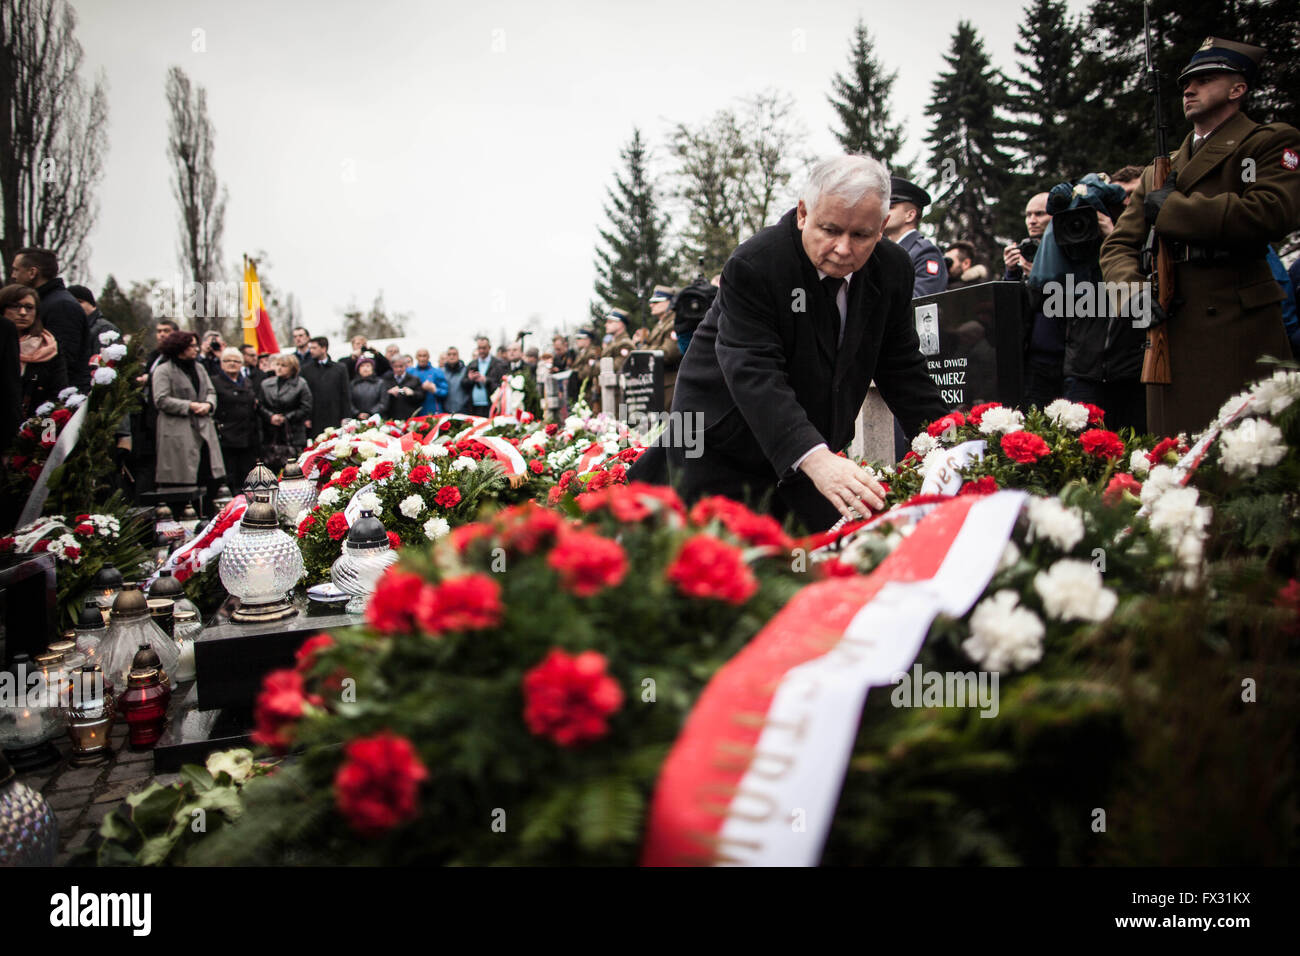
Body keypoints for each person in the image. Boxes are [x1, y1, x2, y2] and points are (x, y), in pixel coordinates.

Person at [667, 155, 949, 531]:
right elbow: (754, 370)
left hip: (810, 445)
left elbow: (902, 367)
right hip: (723, 444)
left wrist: (949, 444)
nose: (844, 249)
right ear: (803, 213)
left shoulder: (893, 269)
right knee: (728, 572)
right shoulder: (757, 264)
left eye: (861, 235)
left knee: (818, 562)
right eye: (830, 230)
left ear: (882, 226)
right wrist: (814, 458)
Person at [1100, 37, 1300, 436]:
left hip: (1238, 325)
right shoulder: (1162, 168)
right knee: (1176, 456)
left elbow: (1269, 212)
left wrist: (1172, 209)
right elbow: (1118, 245)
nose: (1189, 90)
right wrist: (1133, 293)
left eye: (1205, 80)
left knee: (1244, 457)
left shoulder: (1266, 142)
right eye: (1186, 83)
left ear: (1237, 88)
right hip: (1171, 327)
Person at [151, 330, 226, 495]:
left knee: (208, 478)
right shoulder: (163, 370)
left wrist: (208, 404)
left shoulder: (199, 368)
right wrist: (190, 405)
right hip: (178, 431)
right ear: (179, 348)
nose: (197, 349)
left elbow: (211, 391)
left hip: (204, 427)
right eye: (192, 346)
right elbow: (161, 399)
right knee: (183, 479)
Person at [9, 248, 91, 390]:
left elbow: (64, 359)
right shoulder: (45, 302)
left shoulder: (61, 306)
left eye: (16, 270)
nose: (13, 275)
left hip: (56, 398)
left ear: (32, 273)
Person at [2, 283, 67, 418]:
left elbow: (58, 396)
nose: (23, 313)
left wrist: (45, 436)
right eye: (15, 306)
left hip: (36, 428)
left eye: (29, 308)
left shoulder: (48, 347)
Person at [883, 178, 948, 297]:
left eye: (890, 207)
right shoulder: (882, 251)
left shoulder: (924, 252)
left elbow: (921, 302)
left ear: (910, 215)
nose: (883, 212)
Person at [211, 347, 261, 484]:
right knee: (230, 476)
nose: (232, 363)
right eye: (227, 360)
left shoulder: (247, 382)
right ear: (221, 363)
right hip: (227, 436)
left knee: (247, 477)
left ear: (241, 364)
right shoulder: (214, 382)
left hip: (247, 436)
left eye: (236, 361)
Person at [259, 354, 313, 457]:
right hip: (271, 433)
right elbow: (260, 405)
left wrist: (286, 418)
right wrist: (270, 417)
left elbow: (306, 407)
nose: (279, 368)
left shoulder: (300, 384)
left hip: (293, 433)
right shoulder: (266, 384)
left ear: (292, 368)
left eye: (283, 365)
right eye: (277, 364)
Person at [299, 335, 352, 434]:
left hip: (335, 416)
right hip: (315, 418)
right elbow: (304, 396)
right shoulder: (306, 370)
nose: (311, 351)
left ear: (324, 348)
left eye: (314, 348)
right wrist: (306, 418)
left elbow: (345, 394)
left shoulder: (340, 368)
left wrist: (346, 417)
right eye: (310, 348)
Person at [643, 284, 683, 409]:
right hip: (660, 382)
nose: (651, 305)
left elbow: (667, 353)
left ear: (670, 303)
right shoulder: (660, 325)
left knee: (670, 424)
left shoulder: (674, 323)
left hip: (671, 384)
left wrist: (643, 349)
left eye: (656, 301)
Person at [462, 336, 508, 417]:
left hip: (491, 406)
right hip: (473, 407)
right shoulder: (472, 364)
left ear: (489, 348)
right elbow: (463, 384)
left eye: (484, 348)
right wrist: (470, 379)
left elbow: (502, 386)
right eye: (479, 348)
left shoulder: (498, 364)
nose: (481, 351)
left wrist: (486, 380)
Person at [67, 284, 120, 349]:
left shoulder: (105, 329)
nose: (74, 305)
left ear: (91, 304)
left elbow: (103, 358)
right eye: (70, 302)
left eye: (79, 302)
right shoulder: (71, 328)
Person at [379, 353, 424, 419]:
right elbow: (379, 397)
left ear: (405, 366)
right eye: (396, 367)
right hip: (391, 417)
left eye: (401, 366)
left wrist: (412, 393)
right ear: (392, 366)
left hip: (409, 417)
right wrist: (388, 393)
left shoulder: (414, 379)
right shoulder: (386, 379)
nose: (398, 369)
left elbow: (421, 396)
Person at [411, 347, 449, 415]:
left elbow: (445, 392)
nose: (422, 358)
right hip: (416, 412)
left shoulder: (437, 372)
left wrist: (434, 390)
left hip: (434, 411)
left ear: (428, 357)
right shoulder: (411, 372)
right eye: (420, 356)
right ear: (416, 357)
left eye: (424, 356)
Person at [602, 308, 635, 373]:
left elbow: (616, 367)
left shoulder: (625, 344)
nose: (605, 325)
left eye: (610, 322)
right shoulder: (613, 342)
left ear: (620, 324)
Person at [441, 346, 470, 414]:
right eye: (449, 354)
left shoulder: (466, 371)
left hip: (462, 411)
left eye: (454, 354)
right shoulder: (441, 372)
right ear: (446, 356)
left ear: (458, 356)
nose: (452, 356)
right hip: (445, 411)